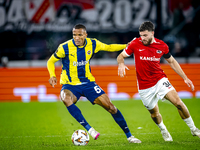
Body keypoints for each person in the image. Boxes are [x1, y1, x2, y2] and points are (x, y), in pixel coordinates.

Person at [47, 24, 141, 143]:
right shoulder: (64, 47)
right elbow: (51, 61)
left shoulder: (93, 43)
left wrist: (126, 46)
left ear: (86, 35)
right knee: (65, 98)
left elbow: (109, 47)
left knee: (111, 107)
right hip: (70, 84)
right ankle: (90, 130)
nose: (76, 37)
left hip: (88, 83)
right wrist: (52, 75)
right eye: (74, 35)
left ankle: (130, 136)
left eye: (79, 35)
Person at [117, 21, 200, 141]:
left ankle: (194, 129)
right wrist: (121, 63)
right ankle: (163, 129)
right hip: (144, 86)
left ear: (152, 33)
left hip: (160, 79)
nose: (143, 38)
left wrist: (185, 77)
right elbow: (121, 56)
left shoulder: (162, 45)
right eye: (141, 35)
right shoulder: (135, 43)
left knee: (178, 103)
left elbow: (171, 61)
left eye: (145, 35)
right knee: (154, 114)